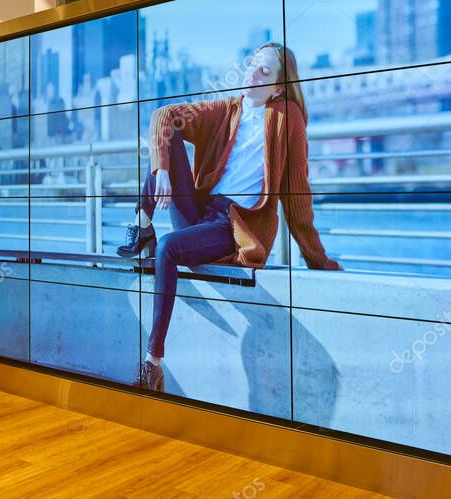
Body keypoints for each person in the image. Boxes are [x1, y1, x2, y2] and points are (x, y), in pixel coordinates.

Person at [117, 43, 340, 393]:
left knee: (169, 249)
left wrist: (317, 259)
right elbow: (164, 116)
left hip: (233, 227)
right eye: (252, 65)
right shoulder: (227, 110)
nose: (253, 73)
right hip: (200, 214)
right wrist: (161, 170)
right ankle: (143, 228)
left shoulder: (286, 119)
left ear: (279, 89)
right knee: (166, 144)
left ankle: (152, 363)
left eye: (265, 72)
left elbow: (298, 193)